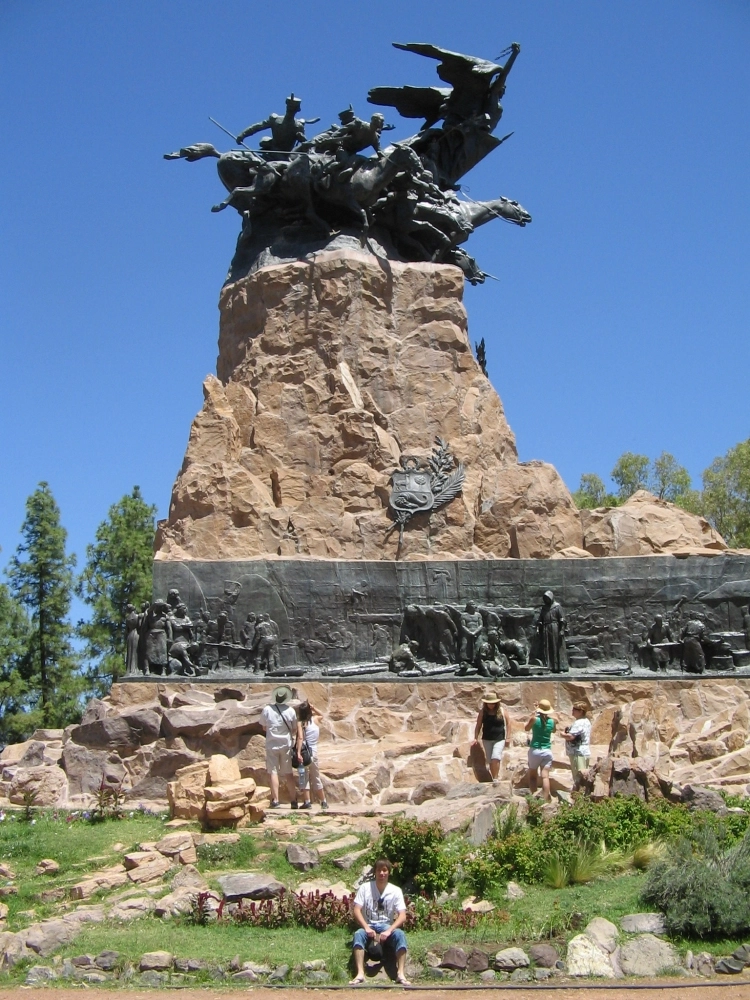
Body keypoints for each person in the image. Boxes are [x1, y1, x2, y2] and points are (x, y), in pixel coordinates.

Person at [350, 858, 410, 986]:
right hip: (369, 925)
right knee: (358, 934)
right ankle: (360, 973)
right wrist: (366, 927)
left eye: (385, 870)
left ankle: (400, 973)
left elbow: (402, 915)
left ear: (389, 872)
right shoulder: (365, 888)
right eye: (379, 870)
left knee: (400, 935)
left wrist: (389, 930)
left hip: (386, 926)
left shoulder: (395, 890)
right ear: (375, 872)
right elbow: (356, 910)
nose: (382, 873)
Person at [259, 687, 302, 808]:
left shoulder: (267, 709)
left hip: (272, 744)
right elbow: (294, 728)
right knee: (288, 773)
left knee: (273, 772)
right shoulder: (290, 711)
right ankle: (293, 800)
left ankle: (275, 800)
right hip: (286, 745)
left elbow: (264, 727)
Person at [296, 700, 328, 810]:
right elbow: (322, 715)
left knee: (304, 777)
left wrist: (298, 752)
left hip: (304, 752)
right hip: (313, 752)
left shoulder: (301, 723)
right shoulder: (315, 720)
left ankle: (307, 802)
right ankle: (323, 801)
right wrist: (314, 708)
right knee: (316, 777)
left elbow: (300, 738)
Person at [472, 693, 511, 781]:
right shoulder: (483, 712)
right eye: (489, 703)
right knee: (490, 760)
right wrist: (475, 737)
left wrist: (508, 737)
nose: (491, 705)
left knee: (495, 757)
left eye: (493, 703)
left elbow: (509, 723)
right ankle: (494, 778)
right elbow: (478, 725)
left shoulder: (502, 711)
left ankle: (496, 778)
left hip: (499, 738)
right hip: (487, 739)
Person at [525, 699, 556, 801]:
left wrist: (533, 714)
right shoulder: (552, 721)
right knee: (545, 777)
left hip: (535, 750)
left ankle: (534, 799)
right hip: (547, 750)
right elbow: (554, 730)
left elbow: (526, 728)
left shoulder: (534, 719)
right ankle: (546, 798)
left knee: (533, 776)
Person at [562, 702, 591, 789]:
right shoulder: (586, 721)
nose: (572, 710)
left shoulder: (579, 723)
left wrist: (562, 734)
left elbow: (571, 736)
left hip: (577, 753)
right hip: (584, 752)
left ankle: (579, 795)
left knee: (579, 778)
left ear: (581, 711)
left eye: (575, 709)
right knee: (584, 776)